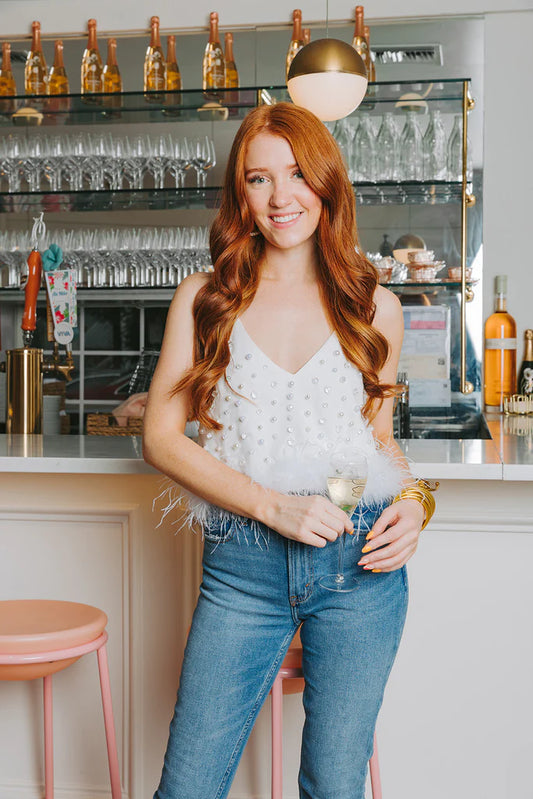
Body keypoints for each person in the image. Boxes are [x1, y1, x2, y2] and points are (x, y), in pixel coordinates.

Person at [143, 102, 436, 799]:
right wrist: (270, 505)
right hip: (242, 567)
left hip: (359, 566)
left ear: (326, 182)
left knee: (333, 787)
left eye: (298, 173)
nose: (281, 197)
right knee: (187, 788)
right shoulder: (205, 299)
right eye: (258, 179)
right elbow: (157, 435)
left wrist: (418, 503)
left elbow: (376, 444)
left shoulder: (376, 307)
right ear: (239, 195)